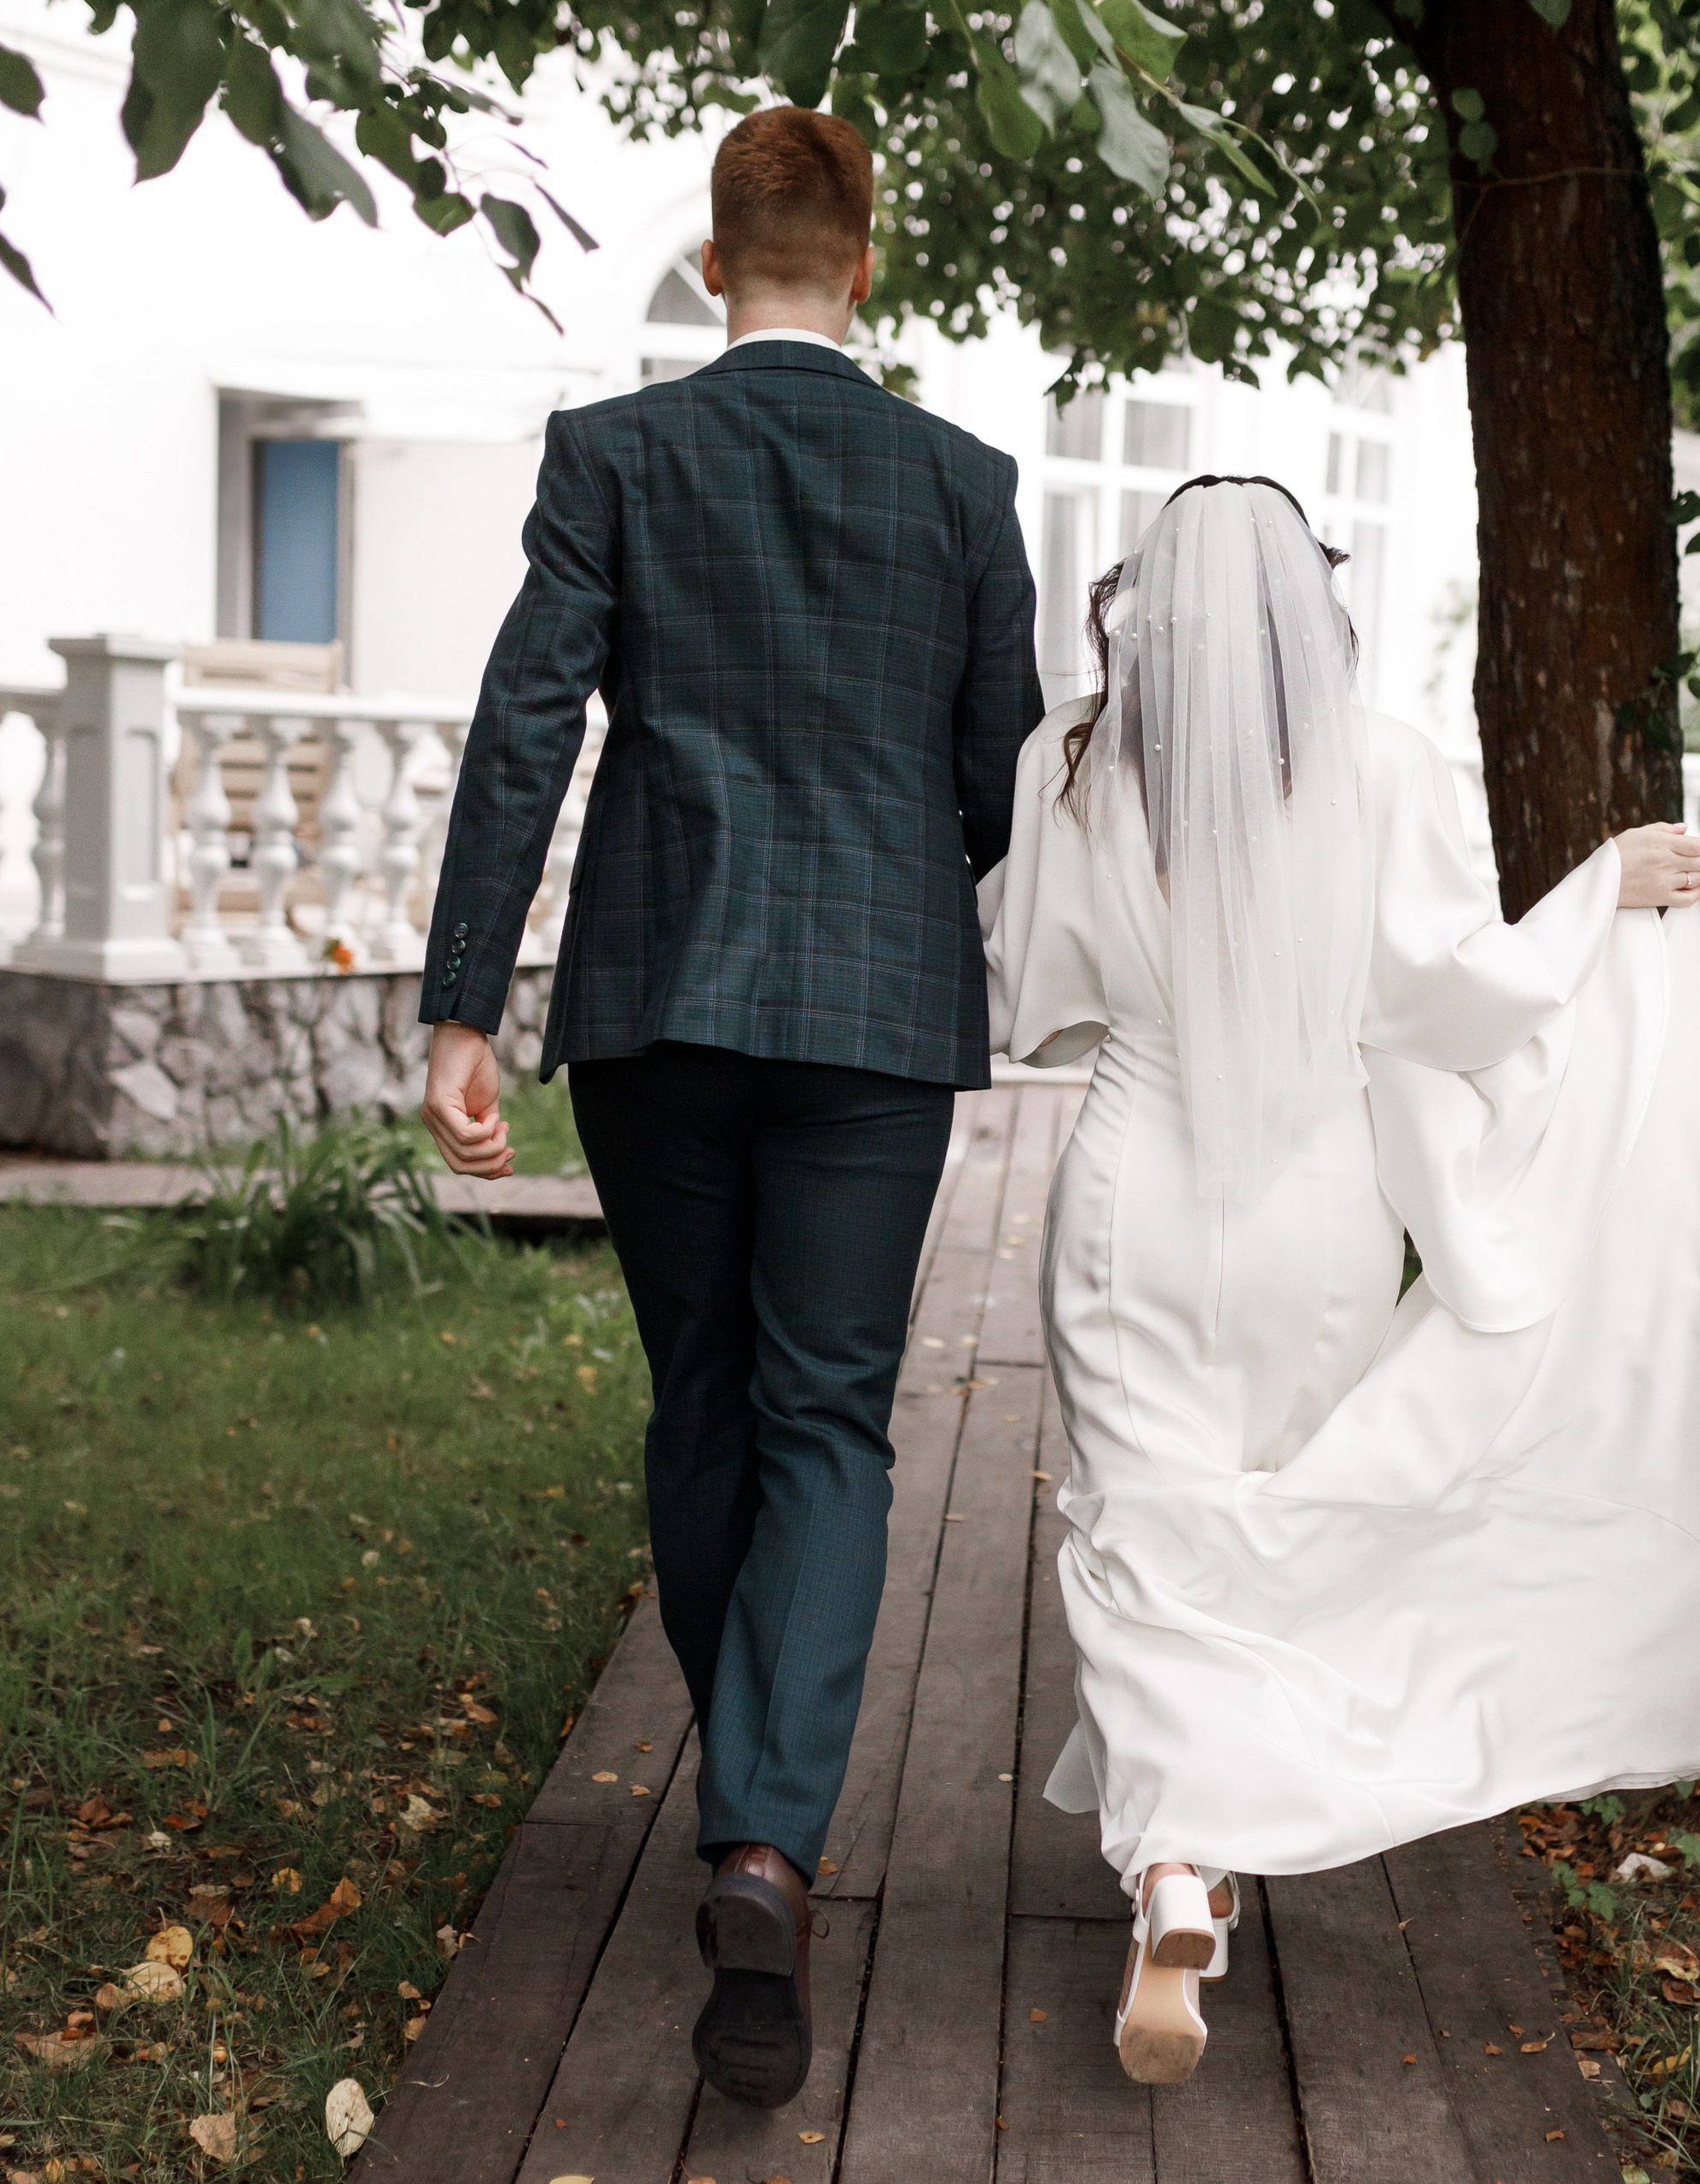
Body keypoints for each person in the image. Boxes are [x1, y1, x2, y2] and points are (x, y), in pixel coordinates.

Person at [979, 476, 1700, 2086]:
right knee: (1280, 1510)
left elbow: (1038, 1004)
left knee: (1140, 1520)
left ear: (1149, 606)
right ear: (1303, 613)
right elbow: (1463, 1002)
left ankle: (1178, 1865)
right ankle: (1207, 1844)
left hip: (1135, 1190)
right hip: (1319, 1201)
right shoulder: (1377, 769)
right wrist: (1601, 887)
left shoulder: (1077, 766)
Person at [416, 107, 1042, 2108]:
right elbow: (995, 776)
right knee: (825, 1417)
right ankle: (767, 1832)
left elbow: (526, 723)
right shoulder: (960, 483)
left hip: (657, 997)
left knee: (704, 1394)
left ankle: (742, 1805)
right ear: (864, 266)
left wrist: (460, 1010)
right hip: (870, 1011)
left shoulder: (615, 455)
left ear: (713, 266)